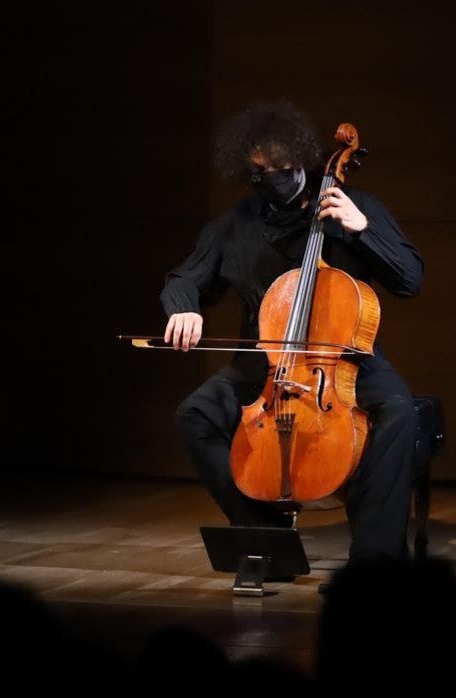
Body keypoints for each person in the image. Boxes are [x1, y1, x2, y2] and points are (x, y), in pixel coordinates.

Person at [162, 100, 424, 562]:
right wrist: (183, 309)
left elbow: (411, 278)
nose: (275, 180)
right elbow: (184, 278)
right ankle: (266, 541)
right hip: (263, 367)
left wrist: (363, 231)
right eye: (263, 173)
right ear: (251, 173)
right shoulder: (235, 226)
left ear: (302, 160)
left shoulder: (352, 206)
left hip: (346, 363)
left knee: (400, 412)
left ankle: (374, 561)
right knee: (195, 414)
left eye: (284, 169)